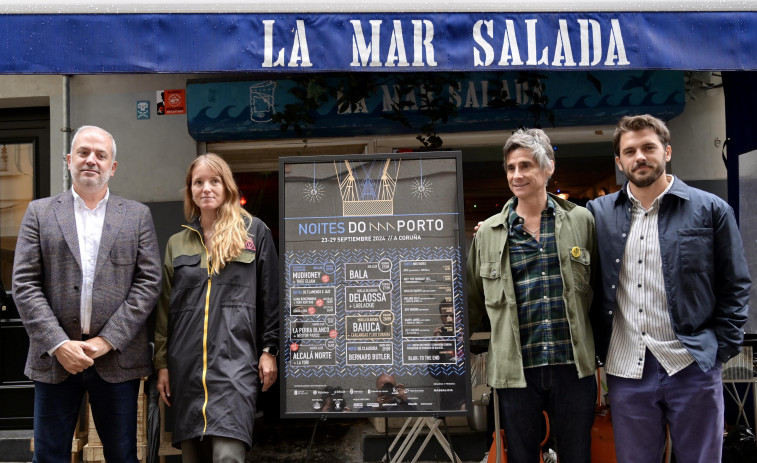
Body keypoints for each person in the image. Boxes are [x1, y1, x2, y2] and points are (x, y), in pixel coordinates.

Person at [586, 114, 751, 463]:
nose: (640, 157)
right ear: (619, 161)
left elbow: (735, 284)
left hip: (692, 364)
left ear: (667, 151)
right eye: (629, 151)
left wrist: (719, 350)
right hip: (626, 367)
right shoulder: (597, 214)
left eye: (649, 147)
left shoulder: (710, 209)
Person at [12, 125, 162, 462]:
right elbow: (24, 283)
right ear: (69, 160)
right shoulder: (40, 213)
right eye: (83, 153)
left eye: (100, 155)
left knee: (123, 455)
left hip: (117, 359)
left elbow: (149, 283)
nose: (91, 160)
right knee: (49, 456)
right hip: (55, 359)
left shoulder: (137, 216)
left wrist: (106, 341)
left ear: (113, 166)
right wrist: (59, 343)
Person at [466, 128, 597, 463]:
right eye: (511, 168)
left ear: (548, 168)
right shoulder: (489, 234)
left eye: (526, 165)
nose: (517, 175)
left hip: (573, 367)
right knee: (521, 457)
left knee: (577, 455)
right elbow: (474, 301)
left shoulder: (581, 221)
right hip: (516, 370)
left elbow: (599, 289)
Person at [154, 153, 279, 463]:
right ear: (190, 190)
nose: (206, 188)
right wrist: (163, 364)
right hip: (187, 368)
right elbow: (165, 309)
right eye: (198, 182)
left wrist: (269, 350)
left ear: (227, 187)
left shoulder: (254, 233)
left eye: (214, 181)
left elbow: (270, 296)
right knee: (193, 457)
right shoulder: (177, 243)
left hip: (234, 364)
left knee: (228, 455)